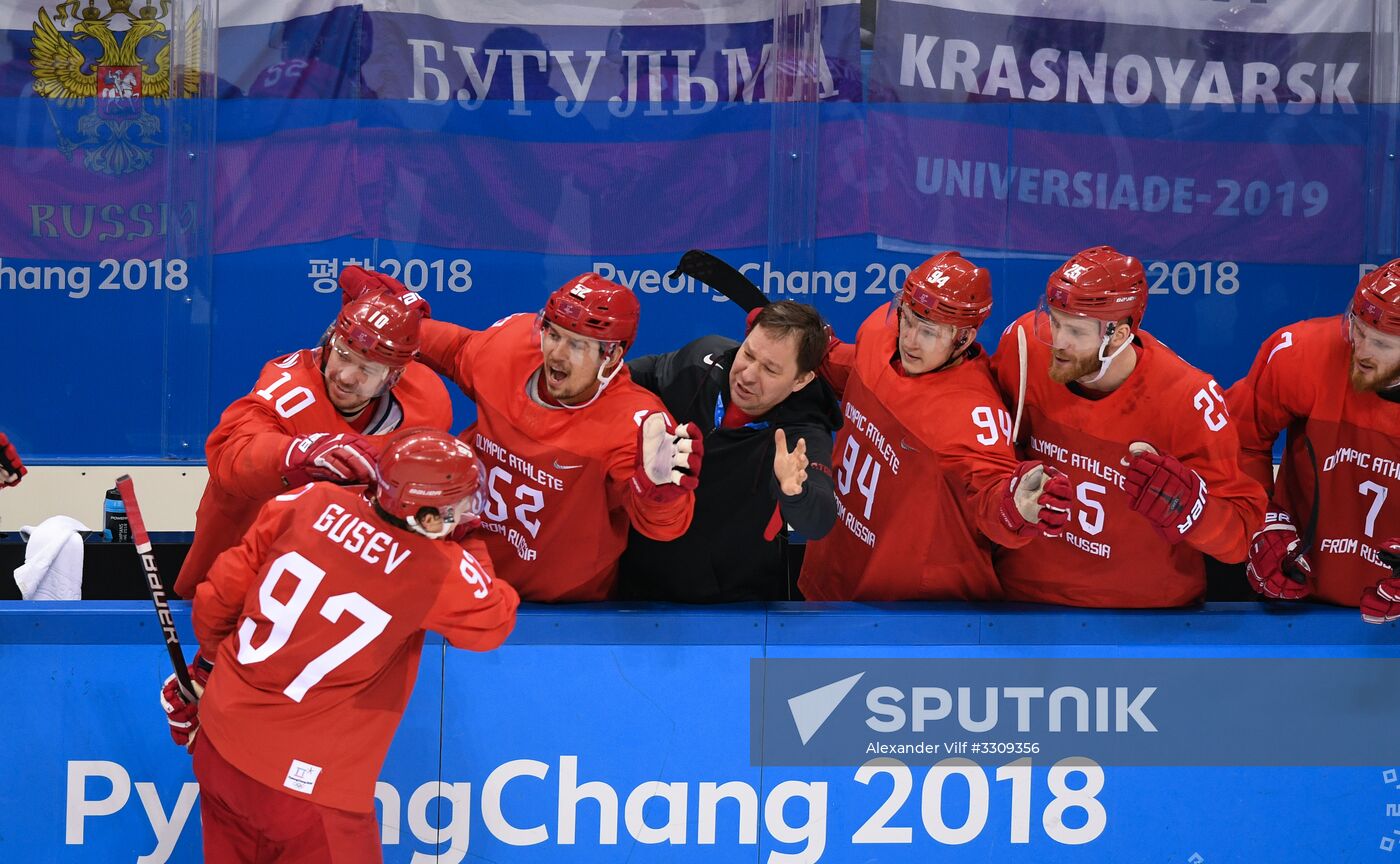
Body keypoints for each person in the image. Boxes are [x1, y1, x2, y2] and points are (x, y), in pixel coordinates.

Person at [159, 428, 516, 864]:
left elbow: (216, 600)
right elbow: (495, 621)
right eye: (457, 506)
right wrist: (469, 542)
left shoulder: (311, 500)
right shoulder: (436, 570)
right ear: (427, 516)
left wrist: (207, 668)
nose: (464, 514)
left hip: (220, 748)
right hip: (308, 790)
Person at [345, 272, 702, 601]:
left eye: (578, 345)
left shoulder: (634, 423)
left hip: (562, 614)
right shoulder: (512, 346)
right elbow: (456, 352)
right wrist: (392, 321)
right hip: (466, 575)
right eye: (554, 333)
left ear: (612, 356)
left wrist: (659, 498)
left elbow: (663, 529)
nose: (557, 354)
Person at [988, 245, 1266, 607]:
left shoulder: (1189, 397)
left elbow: (1242, 537)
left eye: (1075, 330)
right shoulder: (1022, 346)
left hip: (1147, 616)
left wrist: (1193, 511)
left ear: (1118, 335)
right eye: (1055, 320)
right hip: (1026, 600)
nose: (1058, 341)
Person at [798, 252, 1072, 601]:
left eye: (928, 332)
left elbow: (990, 490)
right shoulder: (881, 334)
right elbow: (851, 369)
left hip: (912, 616)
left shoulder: (971, 413)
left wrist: (1015, 508)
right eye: (908, 319)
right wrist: (795, 346)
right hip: (835, 569)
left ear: (964, 339)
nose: (909, 340)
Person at [175, 272, 451, 598]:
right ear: (329, 340)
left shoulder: (427, 403)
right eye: (343, 355)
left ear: (394, 376)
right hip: (242, 579)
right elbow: (230, 455)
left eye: (367, 369)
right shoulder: (288, 389)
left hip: (340, 591)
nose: (347, 376)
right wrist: (300, 453)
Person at [618, 300, 841, 602]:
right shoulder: (701, 360)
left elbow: (818, 521)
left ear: (801, 380)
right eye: (748, 354)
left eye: (770, 370)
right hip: (635, 580)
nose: (748, 375)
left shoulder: (802, 435)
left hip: (730, 604)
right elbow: (634, 378)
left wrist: (794, 492)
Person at [1226, 260, 1400, 613]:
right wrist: (1263, 521)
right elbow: (1237, 440)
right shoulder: (1303, 354)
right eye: (1359, 328)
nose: (1361, 351)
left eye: (1381, 344)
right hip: (1297, 585)